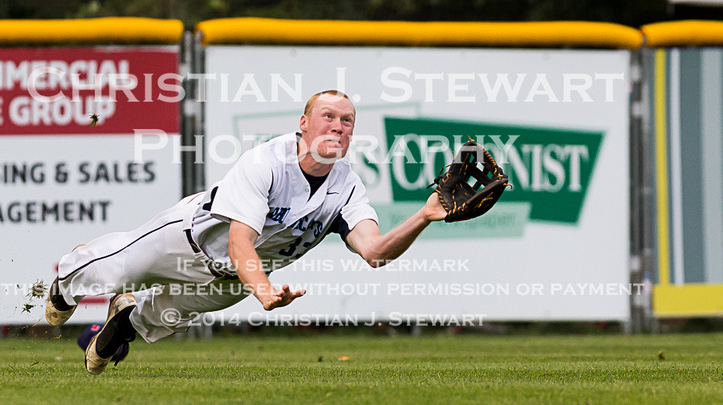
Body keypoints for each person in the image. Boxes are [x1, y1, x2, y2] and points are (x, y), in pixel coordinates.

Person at [46, 90, 451, 375]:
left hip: (234, 280)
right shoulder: (268, 161)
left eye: (347, 121)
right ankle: (65, 284)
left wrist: (424, 215)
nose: (338, 126)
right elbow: (241, 240)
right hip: (185, 242)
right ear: (304, 124)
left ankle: (120, 325)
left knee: (161, 316)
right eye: (328, 116)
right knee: (111, 270)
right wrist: (263, 290)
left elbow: (375, 251)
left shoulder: (347, 187)